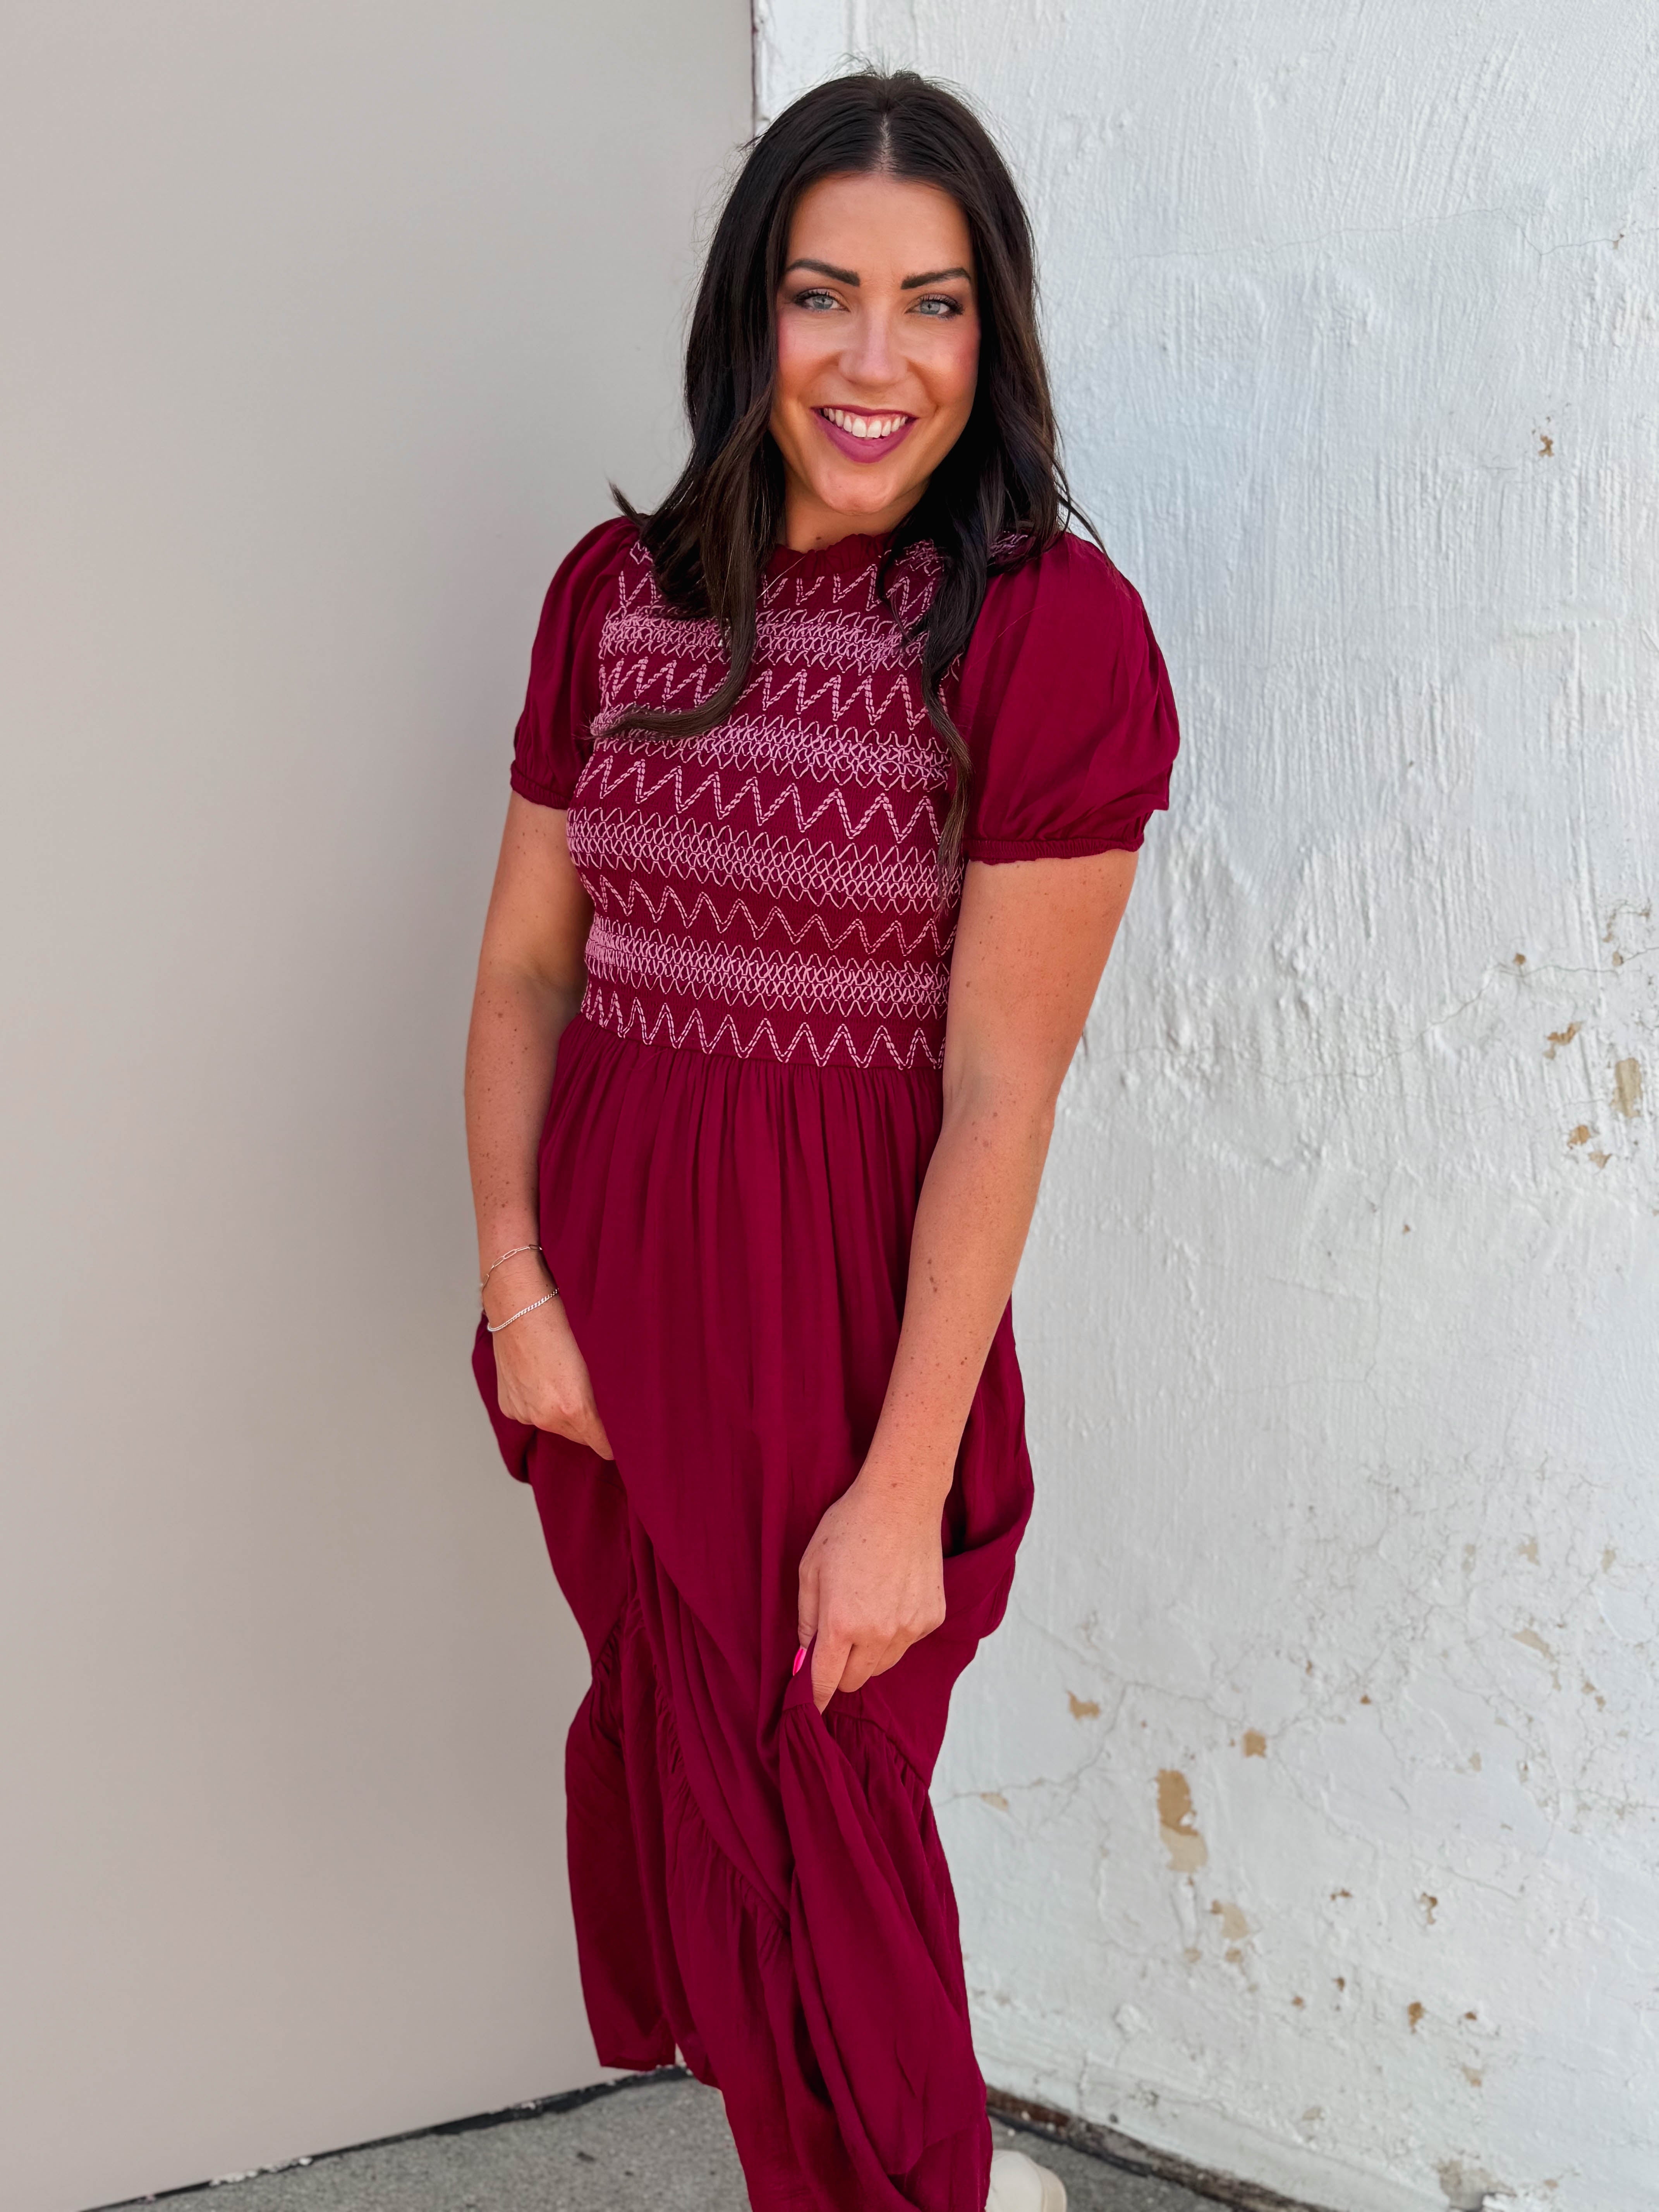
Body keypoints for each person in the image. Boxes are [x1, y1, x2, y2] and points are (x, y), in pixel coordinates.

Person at [464, 67, 1179, 2212]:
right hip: (610, 1312)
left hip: (846, 1338)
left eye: (934, 304)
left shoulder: (1051, 632)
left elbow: (1000, 1092)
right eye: (824, 294)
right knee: (711, 1820)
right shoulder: (614, 594)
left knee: (833, 1834)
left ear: (995, 332)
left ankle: (916, 2186)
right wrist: (521, 1291)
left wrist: (895, 1489)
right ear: (748, 314)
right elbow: (526, 975)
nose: (878, 362)